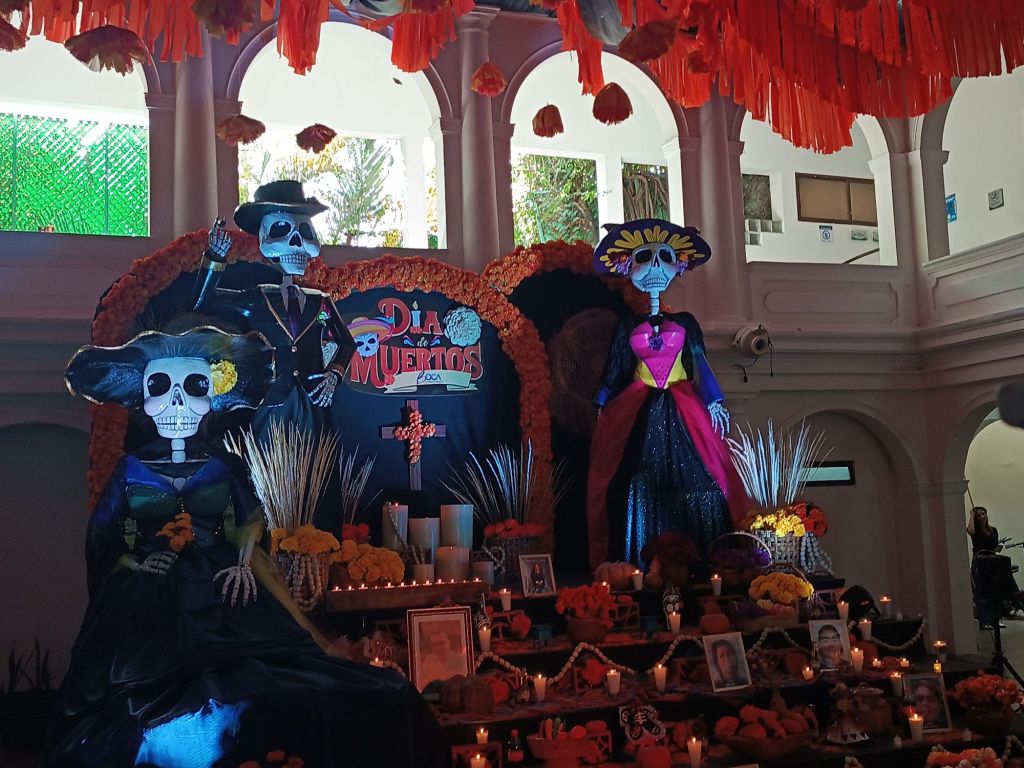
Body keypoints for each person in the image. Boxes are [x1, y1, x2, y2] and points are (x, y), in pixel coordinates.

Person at [52, 326, 446, 768]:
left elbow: (250, 519)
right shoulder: (130, 469)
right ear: (144, 400)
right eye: (160, 388)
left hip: (223, 584)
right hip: (151, 599)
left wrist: (242, 562)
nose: (177, 404)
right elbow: (103, 538)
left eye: (193, 388)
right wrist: (138, 564)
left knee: (276, 675)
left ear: (211, 397)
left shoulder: (223, 465)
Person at [587, 220, 747, 570]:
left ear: (680, 264)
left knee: (705, 475)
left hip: (682, 403)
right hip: (639, 406)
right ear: (628, 266)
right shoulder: (627, 326)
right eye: (645, 257)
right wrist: (601, 405)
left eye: (666, 257)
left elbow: (699, 363)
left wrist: (714, 400)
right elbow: (614, 368)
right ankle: (641, 559)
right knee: (632, 478)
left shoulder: (686, 323)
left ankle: (704, 557)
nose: (656, 267)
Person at [967, 506, 1022, 629]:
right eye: (979, 515)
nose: (982, 516)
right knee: (981, 592)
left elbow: (994, 546)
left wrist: (998, 548)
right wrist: (971, 514)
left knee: (995, 591)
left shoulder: (993, 530)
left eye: (983, 514)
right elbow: (969, 530)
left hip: (992, 561)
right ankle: (984, 620)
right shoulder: (976, 531)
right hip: (980, 562)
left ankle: (996, 618)